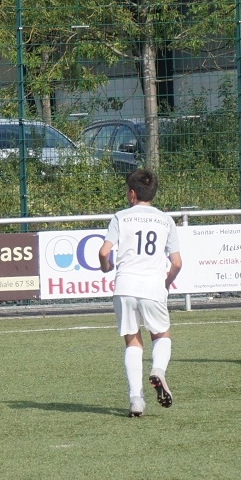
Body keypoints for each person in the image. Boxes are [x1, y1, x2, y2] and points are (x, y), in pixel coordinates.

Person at [98, 169, 182, 418]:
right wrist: (166, 282)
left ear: (132, 194)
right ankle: (158, 370)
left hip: (125, 286)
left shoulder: (121, 217)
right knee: (161, 335)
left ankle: (136, 400)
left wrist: (106, 267)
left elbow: (104, 252)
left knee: (132, 341)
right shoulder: (166, 220)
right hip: (152, 286)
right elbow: (177, 263)